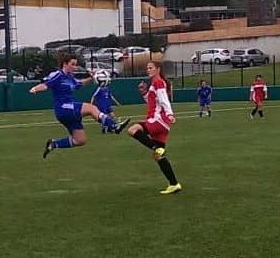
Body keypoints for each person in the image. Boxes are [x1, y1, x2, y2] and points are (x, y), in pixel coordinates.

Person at [29, 54, 130, 159]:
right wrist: (35, 89)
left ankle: (54, 144)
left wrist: (91, 78)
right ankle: (114, 126)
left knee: (80, 140)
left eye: (76, 65)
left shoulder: (70, 77)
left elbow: (79, 84)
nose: (75, 67)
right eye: (72, 64)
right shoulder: (58, 75)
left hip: (68, 112)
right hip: (63, 108)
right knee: (91, 108)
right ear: (64, 64)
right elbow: (46, 84)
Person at [126, 62, 182, 194]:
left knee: (132, 130)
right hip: (162, 124)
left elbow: (164, 100)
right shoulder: (155, 84)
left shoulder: (158, 82)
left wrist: (169, 114)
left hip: (157, 121)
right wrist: (144, 93)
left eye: (151, 68)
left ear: (158, 69)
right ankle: (174, 184)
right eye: (147, 68)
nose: (148, 70)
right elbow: (153, 102)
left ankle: (156, 148)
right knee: (158, 156)